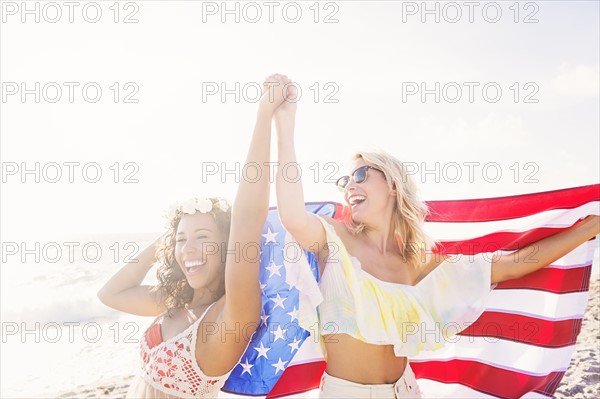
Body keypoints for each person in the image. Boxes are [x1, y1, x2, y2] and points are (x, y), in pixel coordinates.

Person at [272, 83, 600, 398]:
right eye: (344, 180)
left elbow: (514, 266)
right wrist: (285, 125)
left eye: (360, 175)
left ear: (392, 185)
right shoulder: (332, 238)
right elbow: (291, 215)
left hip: (406, 390)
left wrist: (588, 228)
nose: (348, 187)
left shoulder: (418, 262)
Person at [97, 74, 291, 398]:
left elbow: (246, 218)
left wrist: (263, 115)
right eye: (182, 240)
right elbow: (110, 293)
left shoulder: (232, 313)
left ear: (226, 246)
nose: (189, 249)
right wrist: (171, 240)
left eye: (203, 237)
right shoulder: (176, 300)